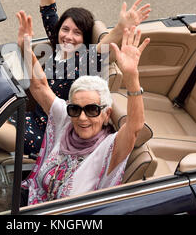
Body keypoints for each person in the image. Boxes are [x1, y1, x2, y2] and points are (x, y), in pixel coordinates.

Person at [0, 0, 151, 156]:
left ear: (85, 41)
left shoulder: (85, 62)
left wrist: (122, 27)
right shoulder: (58, 46)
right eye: (65, 29)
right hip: (28, 117)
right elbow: (47, 7)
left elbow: (104, 45)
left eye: (77, 33)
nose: (68, 37)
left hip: (45, 134)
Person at [16, 10, 150, 205]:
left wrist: (131, 77)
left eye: (92, 110)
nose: (82, 118)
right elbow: (39, 86)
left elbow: (135, 126)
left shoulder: (109, 148)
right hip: (31, 201)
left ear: (107, 114)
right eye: (75, 109)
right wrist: (25, 47)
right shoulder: (66, 120)